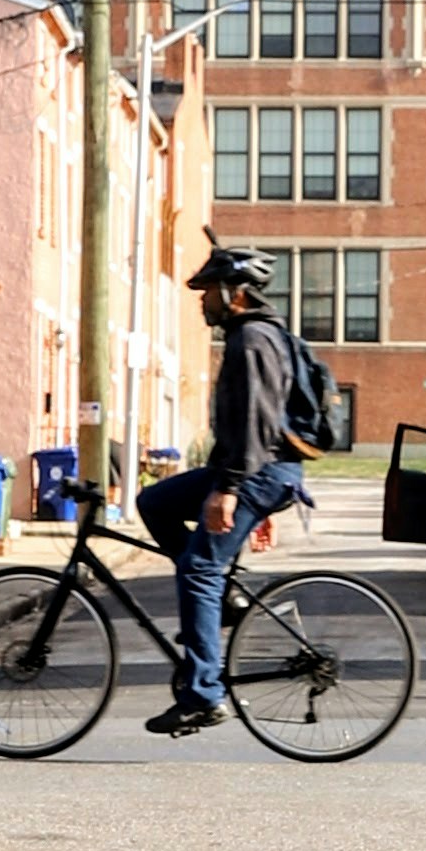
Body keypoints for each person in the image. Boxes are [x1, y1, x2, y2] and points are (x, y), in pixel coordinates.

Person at [137, 244, 308, 735]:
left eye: (209, 290)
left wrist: (229, 490)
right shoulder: (247, 336)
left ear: (234, 293)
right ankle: (226, 600)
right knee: (154, 502)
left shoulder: (252, 341)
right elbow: (244, 429)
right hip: (256, 469)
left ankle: (205, 694)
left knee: (198, 570)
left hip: (255, 472)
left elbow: (255, 423)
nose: (202, 300)